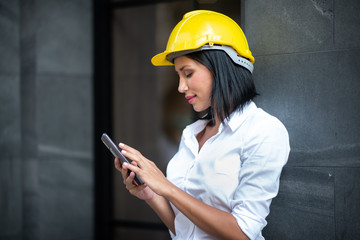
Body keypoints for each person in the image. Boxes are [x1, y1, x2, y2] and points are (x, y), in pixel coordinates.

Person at [114, 10, 290, 240]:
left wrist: (165, 187)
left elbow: (243, 233)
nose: (181, 87)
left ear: (220, 67)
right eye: (178, 75)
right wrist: (151, 193)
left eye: (188, 74)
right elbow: (186, 230)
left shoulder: (264, 131)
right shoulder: (191, 134)